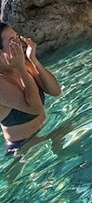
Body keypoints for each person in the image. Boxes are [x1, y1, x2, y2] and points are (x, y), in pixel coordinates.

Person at [0, 23, 62, 156]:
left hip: (46, 131)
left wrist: (33, 60)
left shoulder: (24, 64)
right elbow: (35, 109)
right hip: (23, 150)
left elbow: (55, 91)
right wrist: (21, 70)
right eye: (13, 42)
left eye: (18, 38)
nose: (19, 44)